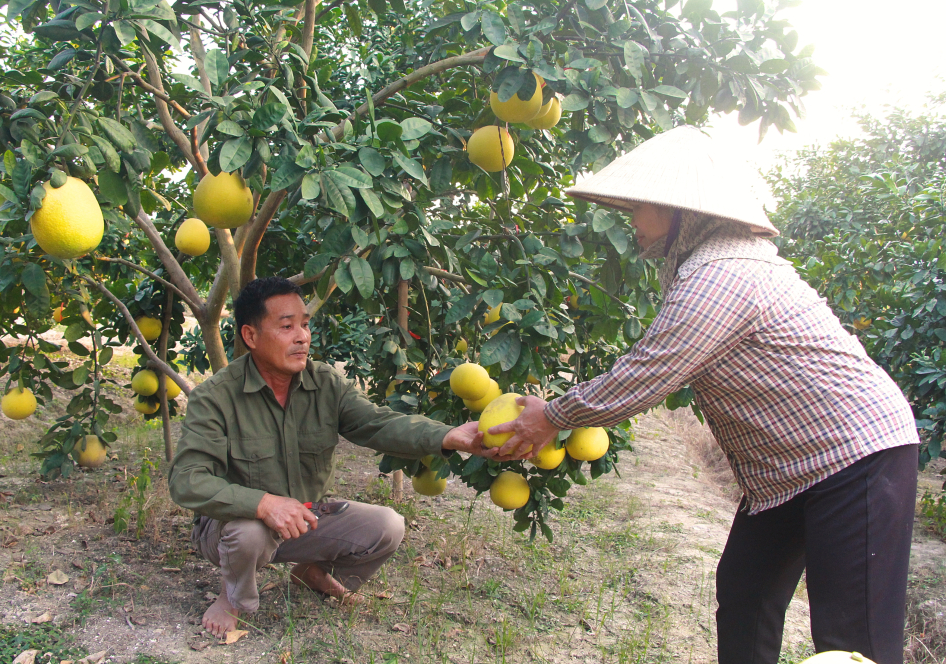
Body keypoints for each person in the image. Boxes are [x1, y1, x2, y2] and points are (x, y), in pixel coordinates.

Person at [487, 126, 919, 664]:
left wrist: (551, 416)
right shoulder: (698, 263)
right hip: (787, 470)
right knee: (745, 592)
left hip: (857, 453)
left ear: (676, 209)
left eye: (640, 207)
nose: (633, 221)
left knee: (855, 638)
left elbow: (652, 371)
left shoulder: (723, 270)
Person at [169, 276, 492, 638]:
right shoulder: (215, 397)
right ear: (251, 336)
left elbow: (377, 424)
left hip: (304, 518)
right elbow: (187, 479)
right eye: (287, 326)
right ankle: (232, 599)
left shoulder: (324, 383)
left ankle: (313, 573)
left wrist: (448, 436)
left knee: (387, 526)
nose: (303, 336)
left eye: (305, 324)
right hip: (231, 528)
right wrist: (262, 504)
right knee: (249, 532)